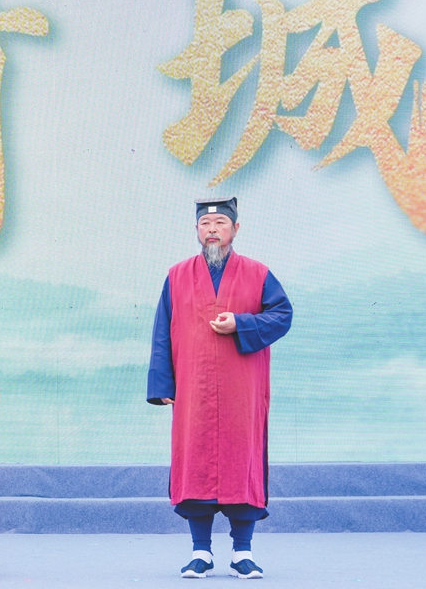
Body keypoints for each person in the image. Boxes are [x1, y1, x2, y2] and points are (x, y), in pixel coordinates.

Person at [147, 198, 293, 580]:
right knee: (195, 463)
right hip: (193, 389)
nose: (212, 229)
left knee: (240, 461)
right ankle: (201, 552)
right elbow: (163, 331)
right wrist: (163, 383)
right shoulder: (177, 275)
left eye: (220, 223)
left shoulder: (258, 273)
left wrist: (241, 324)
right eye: (205, 223)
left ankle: (242, 553)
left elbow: (282, 315)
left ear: (235, 229)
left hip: (242, 387)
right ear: (197, 230)